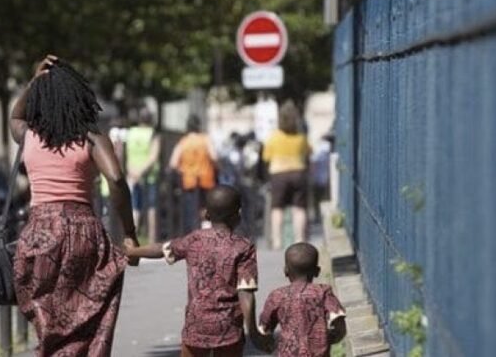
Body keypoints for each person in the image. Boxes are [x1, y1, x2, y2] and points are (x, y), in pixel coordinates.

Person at [9, 56, 138, 356]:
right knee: (89, 310)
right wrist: (129, 232)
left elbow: (15, 116)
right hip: (83, 232)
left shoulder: (29, 136)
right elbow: (116, 179)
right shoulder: (92, 138)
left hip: (39, 232)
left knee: (51, 320)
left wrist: (34, 82)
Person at [126, 186, 262, 357]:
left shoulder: (194, 239)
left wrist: (132, 252)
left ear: (206, 214)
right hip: (229, 327)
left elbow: (162, 249)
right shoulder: (243, 247)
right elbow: (246, 292)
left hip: (196, 325)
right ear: (238, 215)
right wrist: (253, 332)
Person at [257, 243, 347, 356]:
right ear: (317, 271)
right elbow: (339, 323)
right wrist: (329, 339)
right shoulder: (323, 292)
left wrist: (269, 344)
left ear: (286, 271)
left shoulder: (277, 296)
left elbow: (264, 328)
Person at [263, 102, 311, 249]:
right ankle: (299, 239)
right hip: (298, 173)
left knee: (277, 208)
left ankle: (277, 240)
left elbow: (266, 157)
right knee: (299, 208)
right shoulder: (301, 138)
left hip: (278, 174)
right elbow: (308, 153)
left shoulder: (273, 137)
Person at [169, 115, 218, 235]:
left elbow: (173, 163)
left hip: (189, 181)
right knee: (205, 209)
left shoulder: (183, 142)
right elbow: (214, 157)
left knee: (191, 210)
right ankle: (206, 233)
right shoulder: (205, 140)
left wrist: (183, 170)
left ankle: (193, 235)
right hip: (206, 180)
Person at [126, 109, 161, 243]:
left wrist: (133, 172)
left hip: (133, 175)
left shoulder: (131, 133)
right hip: (149, 176)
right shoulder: (153, 134)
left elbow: (127, 154)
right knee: (152, 207)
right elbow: (153, 157)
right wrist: (142, 171)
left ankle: (133, 238)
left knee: (135, 207)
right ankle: (152, 238)